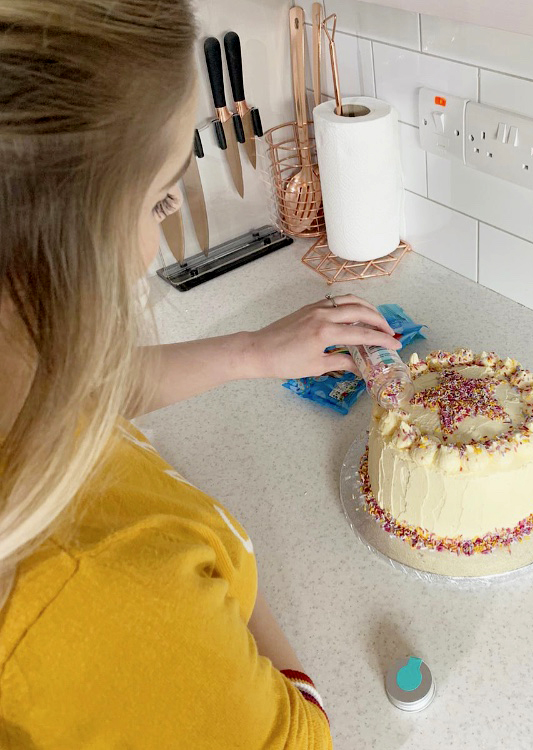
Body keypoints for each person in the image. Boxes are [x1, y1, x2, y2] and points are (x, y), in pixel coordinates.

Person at [0, 1, 401, 747]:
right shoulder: (93, 584)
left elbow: (76, 394)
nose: (165, 227)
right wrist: (215, 568)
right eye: (160, 197)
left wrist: (248, 353)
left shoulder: (21, 391)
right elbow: (303, 737)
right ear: (57, 246)